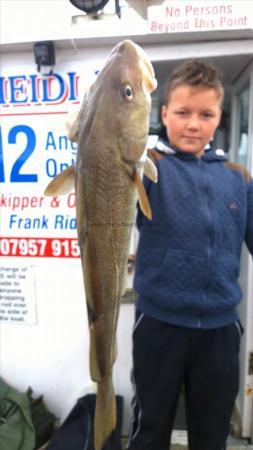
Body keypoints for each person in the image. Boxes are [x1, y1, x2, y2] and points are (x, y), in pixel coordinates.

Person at [126, 59, 253, 450]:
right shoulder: (145, 168)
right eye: (182, 113)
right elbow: (103, 169)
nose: (193, 124)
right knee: (150, 431)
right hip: (158, 324)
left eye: (206, 114)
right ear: (163, 113)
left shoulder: (238, 177)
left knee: (212, 434)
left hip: (219, 329)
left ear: (219, 118)